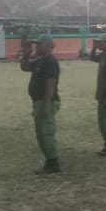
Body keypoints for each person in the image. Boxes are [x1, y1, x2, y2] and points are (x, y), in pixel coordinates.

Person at [20, 34, 62, 174]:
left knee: (46, 133)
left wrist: (46, 104)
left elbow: (50, 84)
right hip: (39, 102)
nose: (36, 47)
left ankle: (53, 164)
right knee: (41, 133)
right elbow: (25, 67)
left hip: (46, 101)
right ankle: (50, 162)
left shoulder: (50, 62)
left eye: (39, 44)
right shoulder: (41, 60)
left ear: (48, 46)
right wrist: (26, 54)